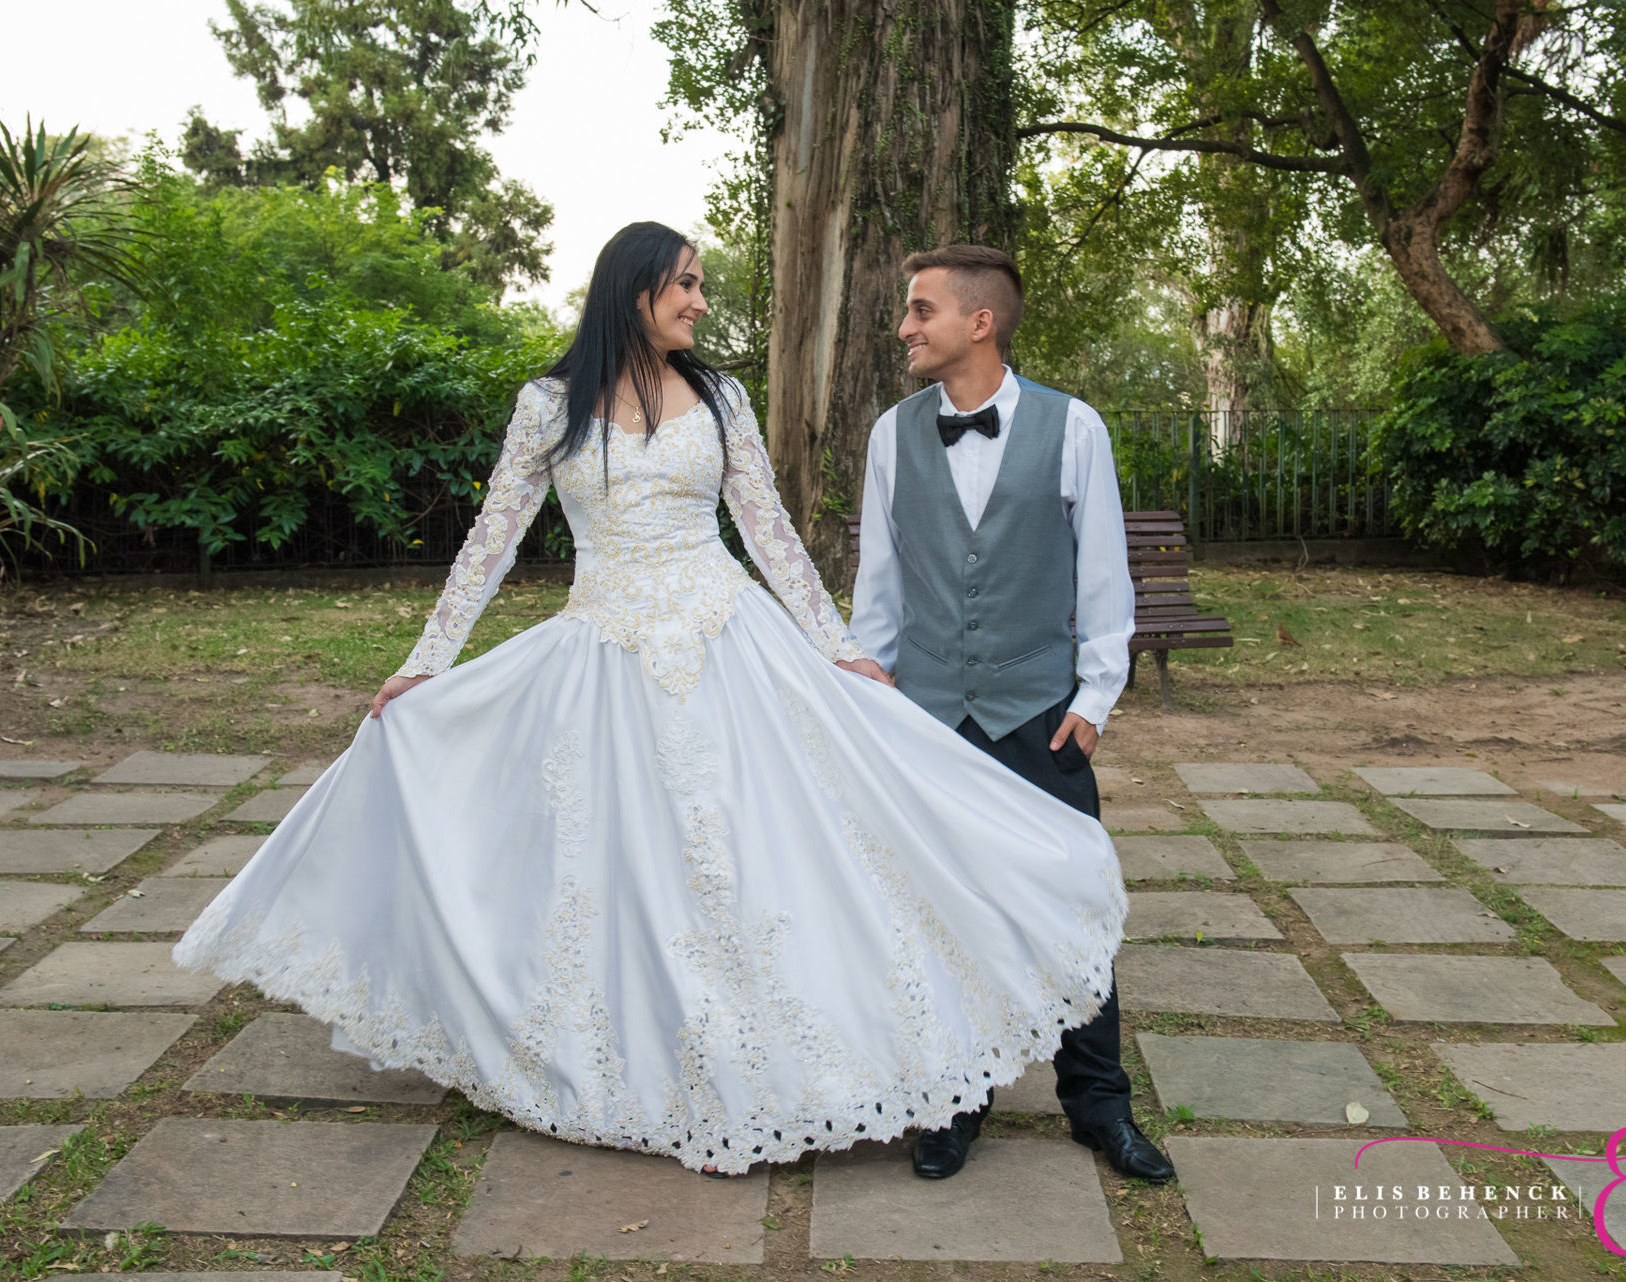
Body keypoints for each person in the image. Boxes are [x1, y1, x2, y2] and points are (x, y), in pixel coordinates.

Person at [174, 221, 1128, 1177]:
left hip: (729, 648)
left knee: (764, 861)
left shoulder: (722, 398)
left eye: (701, 285)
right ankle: (638, 1056)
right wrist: (426, 663)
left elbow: (771, 535)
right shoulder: (548, 407)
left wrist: (837, 652)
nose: (701, 302)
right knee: (619, 868)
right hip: (603, 661)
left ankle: (909, 1070)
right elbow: (490, 541)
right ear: (636, 290)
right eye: (687, 285)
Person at [851, 243, 1174, 1183]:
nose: (906, 328)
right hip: (930, 719)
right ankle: (954, 1099)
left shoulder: (1075, 430)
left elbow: (1104, 578)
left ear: (978, 323)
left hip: (1041, 713)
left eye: (921, 310)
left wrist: (1097, 700)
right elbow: (879, 588)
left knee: (1075, 905)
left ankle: (1099, 1105)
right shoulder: (890, 434)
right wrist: (875, 686)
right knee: (940, 910)